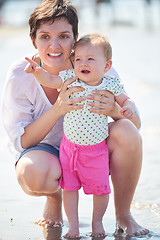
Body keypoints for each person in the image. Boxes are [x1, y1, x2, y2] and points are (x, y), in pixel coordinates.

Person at [2, 0, 149, 238]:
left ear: (75, 38)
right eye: (45, 37)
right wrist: (58, 109)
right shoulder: (21, 74)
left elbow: (136, 125)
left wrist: (113, 110)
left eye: (63, 36)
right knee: (32, 173)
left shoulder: (95, 65)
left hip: (94, 147)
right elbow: (21, 143)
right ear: (33, 40)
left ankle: (124, 215)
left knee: (127, 132)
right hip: (48, 152)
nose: (54, 45)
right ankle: (54, 197)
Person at [24, 33, 137, 238]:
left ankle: (97, 223)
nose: (82, 63)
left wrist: (127, 106)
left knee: (101, 190)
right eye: (78, 59)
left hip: (97, 150)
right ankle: (73, 226)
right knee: (69, 189)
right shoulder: (70, 78)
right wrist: (36, 72)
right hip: (69, 149)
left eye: (90, 59)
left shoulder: (109, 84)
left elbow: (126, 99)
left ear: (107, 65)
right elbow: (50, 80)